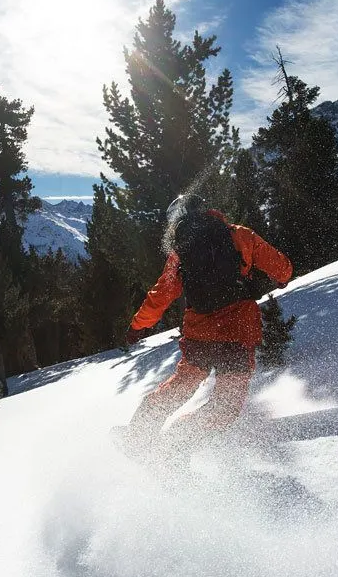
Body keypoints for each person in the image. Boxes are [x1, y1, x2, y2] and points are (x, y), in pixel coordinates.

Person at [123, 193, 293, 453]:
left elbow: (161, 293)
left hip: (200, 335)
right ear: (207, 210)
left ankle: (137, 436)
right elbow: (281, 267)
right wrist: (281, 277)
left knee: (181, 386)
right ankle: (175, 445)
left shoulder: (181, 252)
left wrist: (138, 326)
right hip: (238, 332)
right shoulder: (239, 235)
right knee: (225, 405)